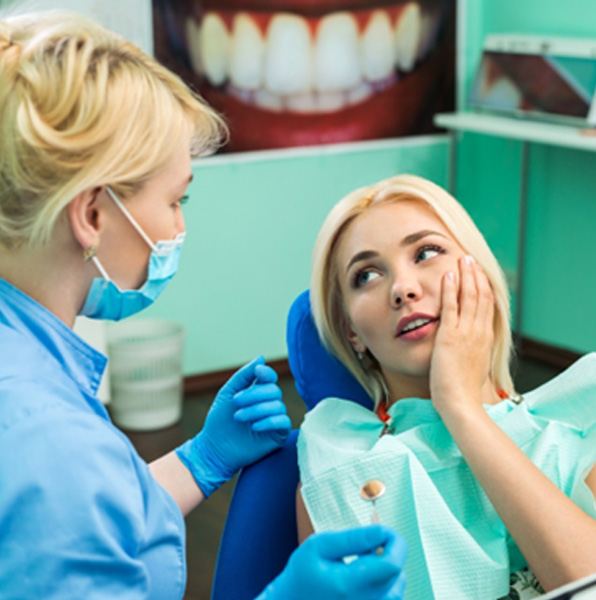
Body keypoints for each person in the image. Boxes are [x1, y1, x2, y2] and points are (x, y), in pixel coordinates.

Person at [0, 11, 407, 599]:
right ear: (91, 215)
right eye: (174, 200)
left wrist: (202, 458)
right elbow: (64, 497)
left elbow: (85, 525)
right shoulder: (47, 442)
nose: (179, 226)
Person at [296, 174, 596, 599]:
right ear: (351, 333)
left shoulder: (579, 426)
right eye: (366, 276)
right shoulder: (342, 468)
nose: (403, 289)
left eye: (427, 252)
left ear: (483, 277)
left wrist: (461, 408)